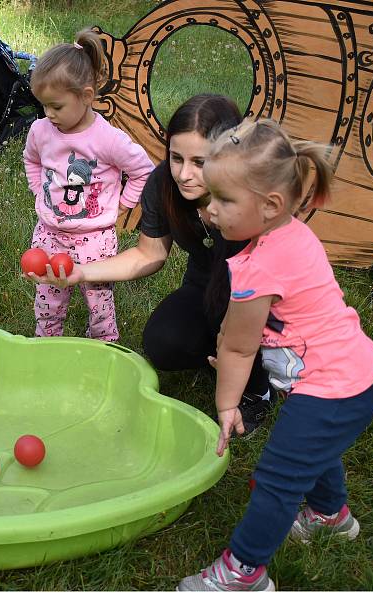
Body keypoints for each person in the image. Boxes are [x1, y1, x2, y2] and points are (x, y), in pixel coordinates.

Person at [176, 119, 373, 591]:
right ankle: (331, 515)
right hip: (350, 379)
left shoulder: (259, 264)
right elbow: (241, 323)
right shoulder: (291, 235)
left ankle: (244, 572)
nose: (212, 210)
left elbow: (239, 345)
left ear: (269, 205)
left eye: (225, 200)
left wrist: (227, 403)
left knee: (277, 476)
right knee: (311, 449)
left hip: (333, 387)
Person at [30, 94, 272, 432]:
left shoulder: (254, 195)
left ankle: (259, 386)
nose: (184, 174)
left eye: (199, 162)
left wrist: (237, 334)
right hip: (205, 284)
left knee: (231, 319)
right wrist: (80, 272)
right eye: (176, 158)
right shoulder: (163, 184)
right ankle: (222, 356)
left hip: (263, 297)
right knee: (163, 342)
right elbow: (149, 254)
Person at [23, 29, 154, 341]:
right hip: (49, 233)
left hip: (94, 238)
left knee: (99, 302)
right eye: (44, 106)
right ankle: (47, 343)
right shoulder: (41, 131)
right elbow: (31, 159)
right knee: (47, 299)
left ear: (86, 96)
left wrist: (124, 205)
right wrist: (37, 190)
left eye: (56, 106)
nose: (49, 114)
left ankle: (103, 344)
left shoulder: (107, 138)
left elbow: (143, 169)